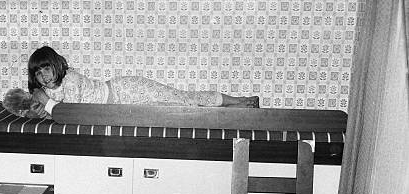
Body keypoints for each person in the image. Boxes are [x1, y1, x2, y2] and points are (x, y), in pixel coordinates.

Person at [26, 46, 259, 117]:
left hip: (126, 90)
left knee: (182, 99)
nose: (43, 76)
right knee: (176, 108)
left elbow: (72, 113)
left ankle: (241, 102)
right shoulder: (52, 91)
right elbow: (55, 113)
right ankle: (232, 108)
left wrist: (45, 102)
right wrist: (40, 107)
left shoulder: (71, 79)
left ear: (56, 65)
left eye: (46, 68)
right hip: (121, 103)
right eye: (38, 73)